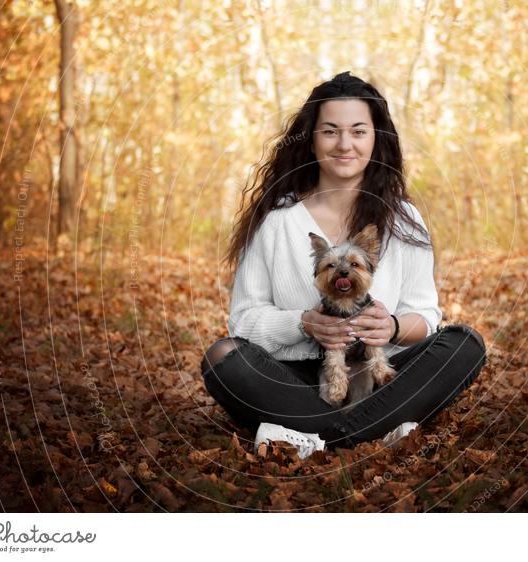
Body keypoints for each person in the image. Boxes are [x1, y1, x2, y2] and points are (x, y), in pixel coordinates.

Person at [201, 71, 486, 458]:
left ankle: (310, 437)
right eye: (330, 131)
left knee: (464, 344)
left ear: (375, 138)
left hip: (381, 379)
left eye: (358, 131)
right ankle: (374, 431)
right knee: (223, 358)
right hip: (295, 379)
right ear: (311, 139)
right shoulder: (278, 220)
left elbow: (426, 317)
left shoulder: (402, 219)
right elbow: (244, 320)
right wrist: (303, 322)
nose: (344, 144)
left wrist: (394, 326)